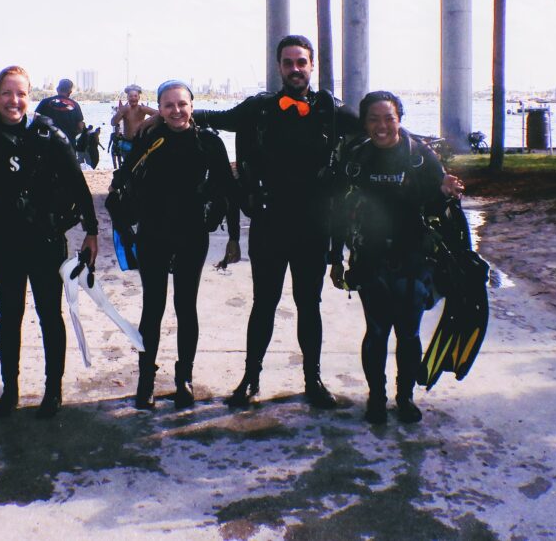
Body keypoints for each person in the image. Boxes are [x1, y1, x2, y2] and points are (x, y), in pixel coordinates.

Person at [191, 35, 363, 409]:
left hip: (314, 225)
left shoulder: (330, 110)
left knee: (309, 304)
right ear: (279, 67)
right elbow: (213, 118)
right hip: (270, 222)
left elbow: (379, 128)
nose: (295, 69)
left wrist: (425, 159)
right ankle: (251, 378)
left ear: (312, 65)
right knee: (263, 304)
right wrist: (164, 115)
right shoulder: (261, 108)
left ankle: (312, 380)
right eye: (288, 63)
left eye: (302, 62)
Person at [0, 65, 98, 419]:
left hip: (45, 240)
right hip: (5, 244)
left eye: (21, 93)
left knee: (49, 316)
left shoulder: (48, 135)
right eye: (7, 93)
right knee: (9, 317)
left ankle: (52, 390)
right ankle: (11, 390)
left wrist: (92, 231)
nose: (14, 100)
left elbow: (78, 186)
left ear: (29, 97)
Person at [336, 91, 464, 425]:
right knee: (376, 331)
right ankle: (376, 397)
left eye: (388, 118)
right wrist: (335, 255)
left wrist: (445, 192)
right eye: (374, 119)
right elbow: (338, 210)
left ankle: (404, 396)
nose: (381, 126)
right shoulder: (356, 157)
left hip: (413, 256)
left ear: (399, 118)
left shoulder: (420, 157)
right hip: (370, 256)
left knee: (408, 333)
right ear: (364, 123)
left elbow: (439, 209)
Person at [111, 80, 236, 410]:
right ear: (160, 109)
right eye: (168, 105)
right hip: (153, 232)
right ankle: (146, 380)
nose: (176, 110)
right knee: (152, 308)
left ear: (192, 106)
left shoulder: (208, 142)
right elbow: (125, 178)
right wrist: (123, 217)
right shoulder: (150, 137)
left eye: (182, 104)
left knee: (186, 307)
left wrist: (228, 231)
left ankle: (185, 379)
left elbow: (227, 189)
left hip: (192, 234)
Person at [111, 85, 158, 162]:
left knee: (140, 165)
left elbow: (160, 115)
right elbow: (113, 123)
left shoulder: (142, 109)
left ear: (139, 97)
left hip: (140, 142)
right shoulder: (125, 110)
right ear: (127, 98)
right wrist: (121, 111)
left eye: (135, 96)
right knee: (127, 165)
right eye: (130, 96)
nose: (133, 98)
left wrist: (148, 122)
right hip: (126, 141)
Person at [34, 78, 85, 146]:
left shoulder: (45, 102)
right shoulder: (75, 105)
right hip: (68, 146)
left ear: (57, 89)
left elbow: (35, 120)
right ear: (70, 92)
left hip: (48, 145)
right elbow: (80, 127)